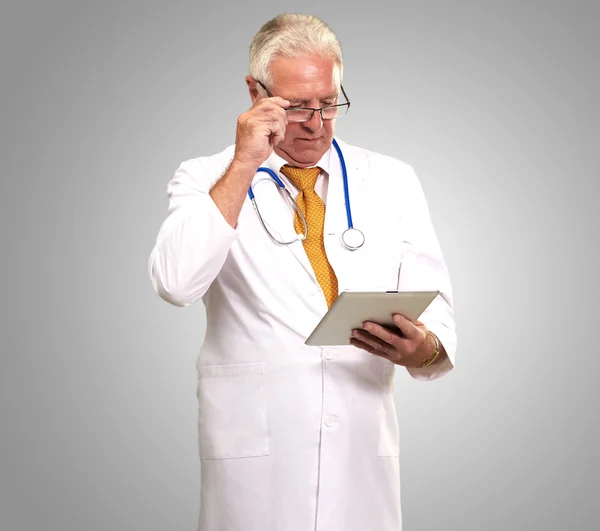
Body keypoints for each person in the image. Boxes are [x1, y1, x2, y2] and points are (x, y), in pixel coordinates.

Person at [148, 12, 456, 531]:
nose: (316, 123)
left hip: (360, 441)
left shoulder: (392, 180)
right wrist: (245, 162)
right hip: (258, 457)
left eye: (329, 103)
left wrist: (423, 348)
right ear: (255, 93)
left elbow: (436, 305)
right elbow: (175, 283)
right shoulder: (205, 177)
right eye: (296, 107)